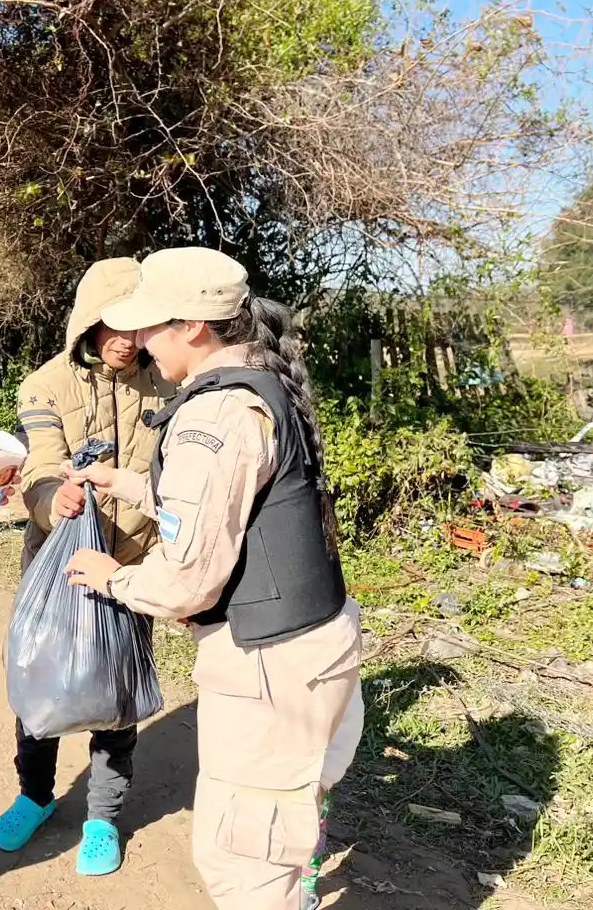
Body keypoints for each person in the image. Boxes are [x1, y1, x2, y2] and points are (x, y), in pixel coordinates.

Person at [62, 247, 365, 910]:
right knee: (284, 829)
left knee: (242, 861)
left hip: (270, 669)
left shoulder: (213, 412)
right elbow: (240, 504)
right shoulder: (263, 378)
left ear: (194, 326)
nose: (137, 341)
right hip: (320, 646)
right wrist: (134, 485)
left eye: (149, 326)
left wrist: (113, 578)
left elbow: (185, 582)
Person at [0, 256, 170, 877]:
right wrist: (50, 500)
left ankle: (102, 818)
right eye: (113, 325)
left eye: (139, 325)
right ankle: (35, 796)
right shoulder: (43, 385)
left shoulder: (170, 382)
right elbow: (39, 466)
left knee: (114, 695)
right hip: (57, 563)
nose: (127, 339)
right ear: (87, 324)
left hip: (129, 564)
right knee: (43, 685)